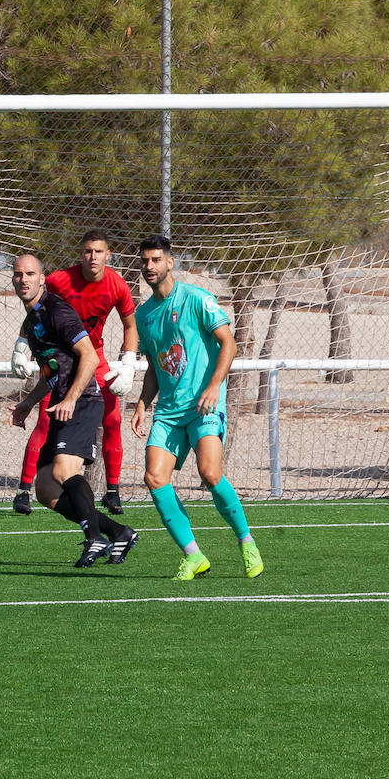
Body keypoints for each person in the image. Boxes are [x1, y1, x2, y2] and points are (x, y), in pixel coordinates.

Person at [130, 235, 264, 581]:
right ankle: (193, 556)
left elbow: (228, 344)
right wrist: (143, 404)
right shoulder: (143, 315)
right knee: (154, 477)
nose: (149, 266)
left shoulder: (196, 299)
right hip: (169, 412)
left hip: (204, 404)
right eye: (144, 261)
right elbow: (155, 367)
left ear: (170, 263)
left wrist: (214, 385)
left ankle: (246, 542)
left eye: (156, 260)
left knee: (210, 473)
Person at [10, 255, 139, 568]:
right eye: (18, 275)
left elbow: (90, 359)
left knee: (65, 472)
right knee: (46, 489)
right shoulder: (32, 321)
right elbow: (52, 371)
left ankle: (94, 537)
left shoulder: (57, 310)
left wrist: (71, 398)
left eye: (30, 274)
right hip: (61, 403)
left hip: (82, 402)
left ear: (43, 279)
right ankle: (118, 532)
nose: (23, 280)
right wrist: (28, 402)